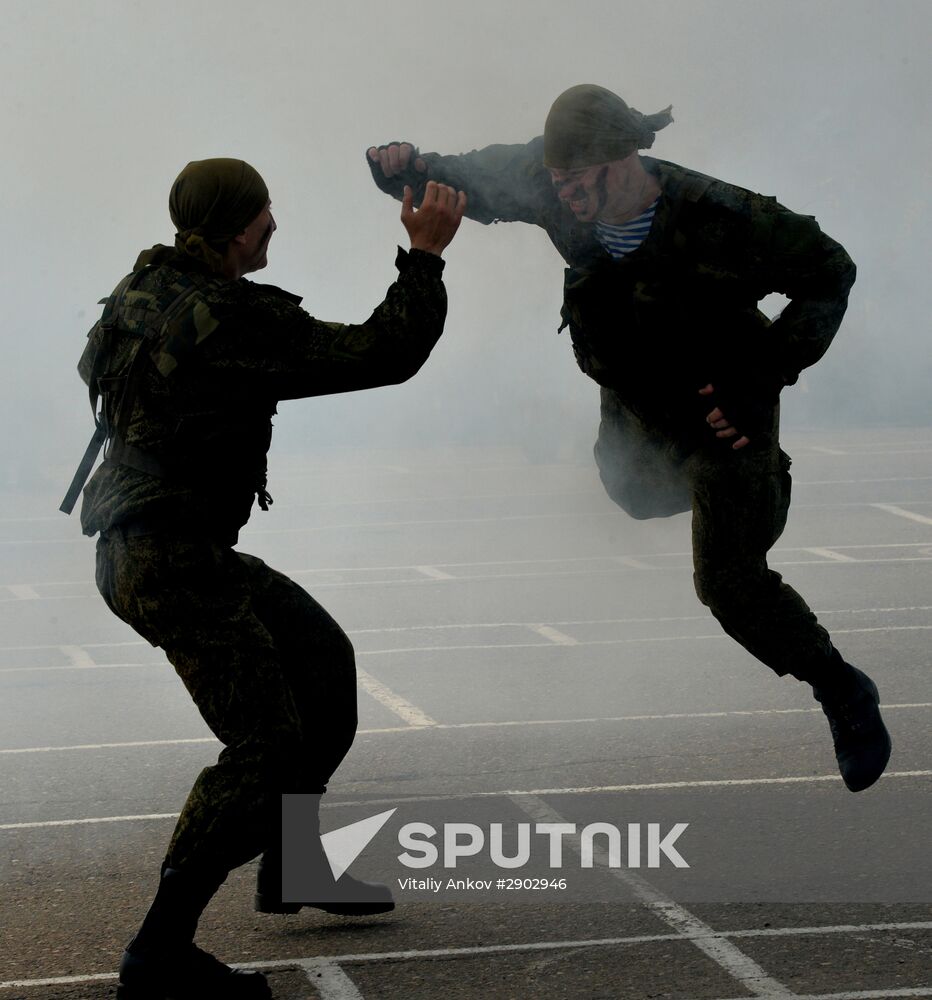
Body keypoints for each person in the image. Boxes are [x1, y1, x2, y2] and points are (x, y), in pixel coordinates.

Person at [366, 84, 891, 796]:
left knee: (729, 584)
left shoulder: (721, 215)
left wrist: (763, 373)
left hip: (722, 401)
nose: (566, 197)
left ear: (622, 162)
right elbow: (456, 176)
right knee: (629, 493)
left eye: (579, 183)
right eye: (556, 183)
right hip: (637, 398)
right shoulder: (547, 181)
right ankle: (738, 495)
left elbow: (832, 272)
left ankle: (843, 690)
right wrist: (400, 165)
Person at [63, 158, 465, 999]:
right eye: (266, 215)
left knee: (321, 663)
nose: (275, 225)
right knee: (264, 749)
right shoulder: (230, 316)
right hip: (170, 558)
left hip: (163, 546)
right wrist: (423, 257)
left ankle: (293, 864)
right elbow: (385, 351)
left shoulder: (143, 288)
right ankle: (158, 953)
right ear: (242, 227)